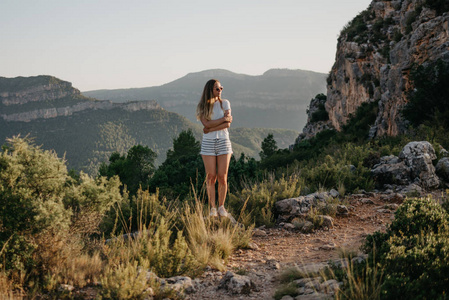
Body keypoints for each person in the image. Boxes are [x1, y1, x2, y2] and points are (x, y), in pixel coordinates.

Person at [196, 79, 233, 217]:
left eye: (221, 88)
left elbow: (227, 124)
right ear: (210, 90)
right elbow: (206, 124)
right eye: (217, 89)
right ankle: (212, 208)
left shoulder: (225, 103)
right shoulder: (202, 106)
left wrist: (211, 126)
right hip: (208, 144)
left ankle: (221, 207)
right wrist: (222, 121)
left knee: (222, 177)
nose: (220, 91)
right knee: (211, 177)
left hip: (224, 141)